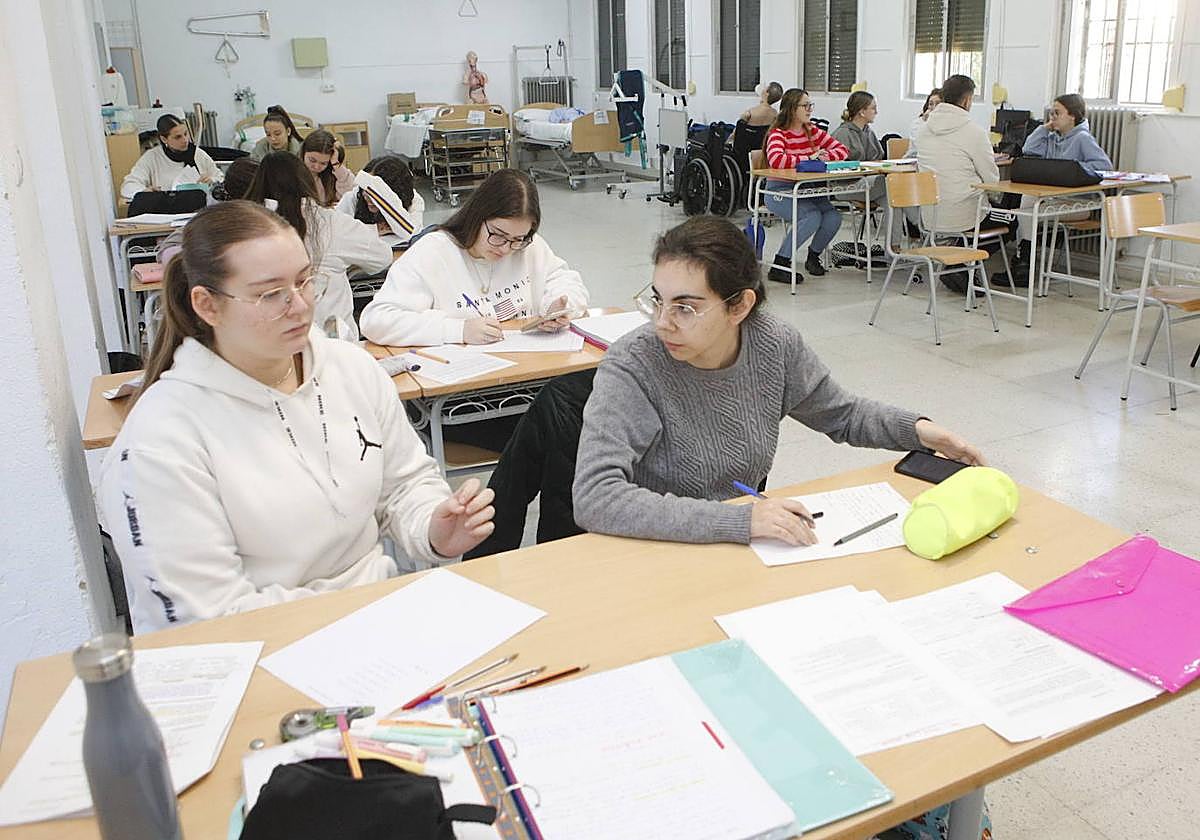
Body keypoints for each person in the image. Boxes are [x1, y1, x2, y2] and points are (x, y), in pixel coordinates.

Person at [97, 201, 495, 633]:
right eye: (271, 294)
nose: (300, 306)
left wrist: (432, 527)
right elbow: (204, 620)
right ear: (207, 306)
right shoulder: (160, 440)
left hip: (379, 624)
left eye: (305, 281)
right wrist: (363, 610)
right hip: (260, 654)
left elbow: (405, 484)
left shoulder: (350, 368)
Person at [572, 215, 984, 547]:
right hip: (655, 549)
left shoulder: (773, 343)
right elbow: (596, 497)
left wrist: (922, 432)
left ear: (739, 306)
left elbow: (842, 415)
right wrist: (738, 519)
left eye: (685, 308)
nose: (663, 322)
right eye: (658, 300)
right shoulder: (635, 363)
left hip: (742, 543)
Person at [359, 168, 588, 348]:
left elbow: (567, 281)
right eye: (498, 235)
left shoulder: (527, 246)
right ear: (477, 216)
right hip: (459, 392)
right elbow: (377, 320)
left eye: (518, 238)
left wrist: (558, 305)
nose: (506, 249)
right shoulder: (434, 251)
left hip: (527, 373)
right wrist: (457, 330)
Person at [244, 152, 391, 341]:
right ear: (305, 180)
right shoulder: (329, 222)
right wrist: (347, 264)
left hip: (269, 344)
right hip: (333, 346)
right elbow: (382, 256)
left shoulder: (248, 227)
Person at [994, 93, 1114, 287]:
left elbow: (1105, 166)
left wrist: (1075, 170)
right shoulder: (1052, 137)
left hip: (1079, 204)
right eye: (1051, 113)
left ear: (1072, 116)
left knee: (1025, 210)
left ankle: (1024, 262)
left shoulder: (1082, 138)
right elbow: (1028, 149)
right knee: (1026, 201)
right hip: (1053, 201)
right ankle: (1024, 263)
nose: (1052, 117)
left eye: (1057, 113)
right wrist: (1044, 127)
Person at [762, 89, 849, 284]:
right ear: (792, 109)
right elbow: (776, 160)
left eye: (811, 105)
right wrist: (807, 159)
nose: (810, 109)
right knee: (811, 217)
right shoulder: (778, 133)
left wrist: (824, 157)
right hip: (779, 191)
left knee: (833, 216)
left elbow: (842, 150)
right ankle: (780, 264)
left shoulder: (812, 130)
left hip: (807, 189)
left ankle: (813, 256)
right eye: (805, 105)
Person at [913, 75, 1000, 236]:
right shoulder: (975, 132)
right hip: (967, 217)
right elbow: (992, 181)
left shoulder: (923, 130)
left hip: (930, 217)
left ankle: (957, 252)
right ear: (967, 101)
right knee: (1012, 221)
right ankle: (961, 258)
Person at [120, 114, 222, 200]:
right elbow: (128, 186)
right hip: (168, 210)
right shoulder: (152, 157)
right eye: (178, 137)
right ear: (164, 139)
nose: (185, 140)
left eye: (185, 134)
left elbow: (220, 178)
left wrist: (212, 180)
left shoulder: (197, 154)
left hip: (199, 209)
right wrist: (145, 191)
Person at [336, 156, 425, 243]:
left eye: (375, 191)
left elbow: (410, 231)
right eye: (366, 188)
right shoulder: (354, 196)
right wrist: (376, 229)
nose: (368, 197)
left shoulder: (414, 200)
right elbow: (337, 231)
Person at [831, 90, 886, 202]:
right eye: (873, 108)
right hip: (847, 186)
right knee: (890, 185)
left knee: (894, 197)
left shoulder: (869, 132)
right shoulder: (842, 133)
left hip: (867, 181)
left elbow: (877, 158)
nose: (876, 112)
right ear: (862, 112)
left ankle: (914, 220)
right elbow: (838, 167)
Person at [300, 129, 338, 206]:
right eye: (312, 160)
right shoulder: (292, 173)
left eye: (323, 163)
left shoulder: (332, 174)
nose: (316, 167)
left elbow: (348, 195)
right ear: (303, 153)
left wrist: (337, 165)